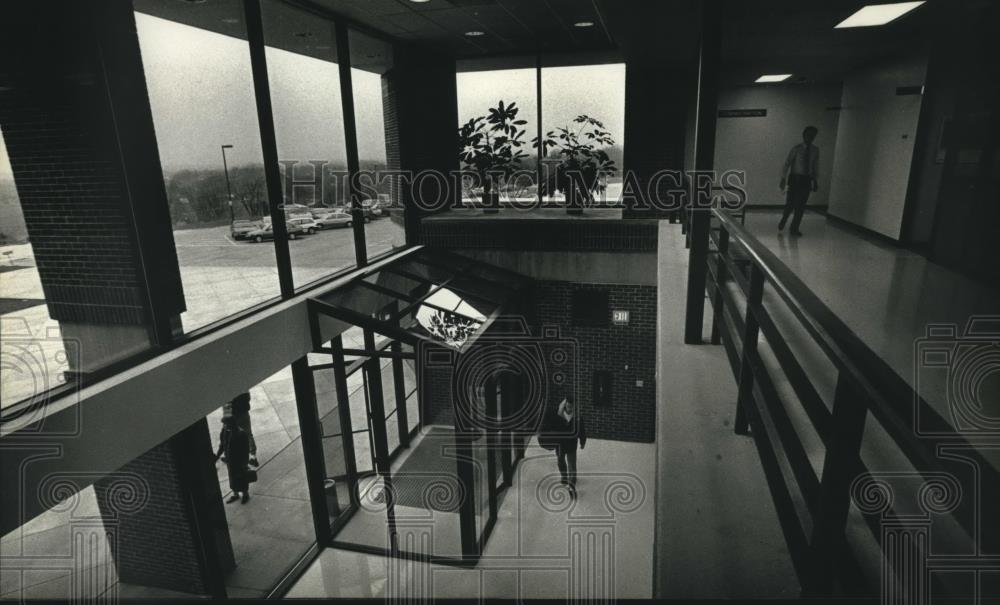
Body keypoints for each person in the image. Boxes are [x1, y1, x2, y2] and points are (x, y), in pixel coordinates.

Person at [779, 126, 820, 236]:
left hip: (806, 180)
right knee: (790, 204)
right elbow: (787, 163)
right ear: (804, 135)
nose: (810, 138)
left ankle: (794, 228)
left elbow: (815, 166)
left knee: (801, 206)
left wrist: (815, 180)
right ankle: (784, 219)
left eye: (813, 136)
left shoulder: (815, 150)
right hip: (795, 179)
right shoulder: (796, 149)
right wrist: (783, 178)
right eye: (808, 135)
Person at [552, 398, 586, 498]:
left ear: (574, 406)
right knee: (560, 461)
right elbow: (553, 430)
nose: (569, 408)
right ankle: (564, 476)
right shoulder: (559, 416)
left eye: (571, 406)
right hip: (560, 444)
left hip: (571, 444)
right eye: (567, 406)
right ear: (564, 405)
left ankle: (571, 485)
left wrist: (582, 442)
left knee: (572, 466)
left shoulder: (577, 417)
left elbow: (582, 431)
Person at [217, 416, 253, 504]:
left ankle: (245, 494)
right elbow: (222, 444)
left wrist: (244, 463)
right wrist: (218, 455)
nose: (224, 426)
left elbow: (245, 450)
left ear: (231, 424)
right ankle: (235, 494)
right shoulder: (225, 431)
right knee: (232, 478)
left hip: (239, 461)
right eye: (224, 424)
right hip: (230, 460)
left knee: (242, 477)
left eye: (226, 424)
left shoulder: (241, 433)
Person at [229, 392, 258, 468]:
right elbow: (248, 397)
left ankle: (233, 456)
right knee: (248, 434)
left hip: (234, 415)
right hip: (244, 413)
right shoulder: (242, 388)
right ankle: (253, 456)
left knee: (231, 437)